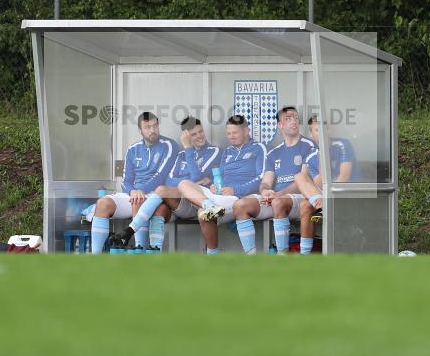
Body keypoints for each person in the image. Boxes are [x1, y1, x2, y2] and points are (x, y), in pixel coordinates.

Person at [118, 116, 219, 251]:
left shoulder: (214, 151)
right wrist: (188, 181)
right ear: (186, 136)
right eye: (194, 134)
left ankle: (130, 230)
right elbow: (169, 180)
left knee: (163, 189)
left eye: (200, 131)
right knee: (159, 207)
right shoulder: (181, 155)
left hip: (197, 202)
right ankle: (153, 253)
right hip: (180, 202)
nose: (200, 136)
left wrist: (188, 148)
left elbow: (196, 175)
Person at [88, 112, 177, 253]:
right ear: (140, 130)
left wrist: (139, 190)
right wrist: (131, 191)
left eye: (155, 126)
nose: (153, 130)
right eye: (148, 127)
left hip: (156, 195)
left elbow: (161, 175)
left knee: (138, 200)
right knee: (103, 204)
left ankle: (139, 251)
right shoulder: (133, 149)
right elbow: (126, 180)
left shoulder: (169, 145)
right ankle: (95, 258)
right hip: (134, 194)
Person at [177, 114, 266, 253]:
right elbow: (221, 177)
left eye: (235, 132)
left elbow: (262, 177)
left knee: (202, 213)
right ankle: (210, 206)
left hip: (238, 198)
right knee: (184, 184)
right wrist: (213, 185)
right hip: (220, 196)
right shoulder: (227, 152)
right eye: (229, 133)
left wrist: (235, 190)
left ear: (246, 131)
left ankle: (213, 253)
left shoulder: (258, 148)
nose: (231, 136)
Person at [232, 106, 316, 254]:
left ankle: (281, 256)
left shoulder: (309, 146)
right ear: (280, 125)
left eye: (296, 118)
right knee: (240, 205)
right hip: (277, 198)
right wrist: (265, 191)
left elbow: (304, 181)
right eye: (288, 119)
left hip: (299, 198)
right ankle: (251, 259)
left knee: (278, 202)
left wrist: (278, 194)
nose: (293, 122)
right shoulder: (274, 153)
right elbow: (265, 182)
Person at [293, 115, 357, 254]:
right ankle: (305, 255)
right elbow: (319, 184)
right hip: (324, 197)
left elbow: (344, 177)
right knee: (299, 178)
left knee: (306, 202)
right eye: (317, 130)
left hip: (346, 192)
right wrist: (322, 155)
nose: (321, 132)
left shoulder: (342, 144)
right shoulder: (311, 155)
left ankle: (324, 206)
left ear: (329, 130)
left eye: (323, 129)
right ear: (312, 133)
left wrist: (330, 198)